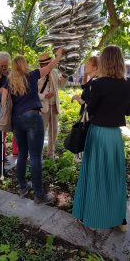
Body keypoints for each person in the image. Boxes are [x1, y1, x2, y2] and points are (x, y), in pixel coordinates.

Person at [72, 45, 130, 231]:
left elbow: (92, 109)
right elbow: (128, 111)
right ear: (120, 61)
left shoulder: (99, 84)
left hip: (98, 134)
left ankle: (93, 217)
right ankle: (120, 220)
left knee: (96, 175)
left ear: (104, 61)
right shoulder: (127, 84)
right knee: (114, 177)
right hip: (114, 137)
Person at [6, 48, 63, 203]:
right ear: (24, 65)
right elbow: (49, 67)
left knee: (22, 155)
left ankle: (23, 187)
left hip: (17, 120)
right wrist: (58, 57)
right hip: (32, 117)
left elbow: (4, 101)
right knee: (36, 156)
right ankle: (39, 195)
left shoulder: (9, 81)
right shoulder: (31, 76)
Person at [38, 53, 68, 158]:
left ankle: (51, 153)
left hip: (54, 105)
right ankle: (38, 154)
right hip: (43, 107)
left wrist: (64, 75)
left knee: (54, 131)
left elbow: (61, 85)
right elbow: (33, 94)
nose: (48, 65)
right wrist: (44, 96)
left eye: (49, 63)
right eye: (45, 63)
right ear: (41, 65)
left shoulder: (54, 72)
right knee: (41, 131)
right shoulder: (37, 74)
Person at [0, 51, 19, 156]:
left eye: (5, 65)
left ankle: (16, 150)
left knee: (16, 129)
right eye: (2, 66)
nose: (4, 67)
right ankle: (3, 152)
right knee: (2, 130)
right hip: (2, 106)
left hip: (14, 105)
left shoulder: (13, 74)